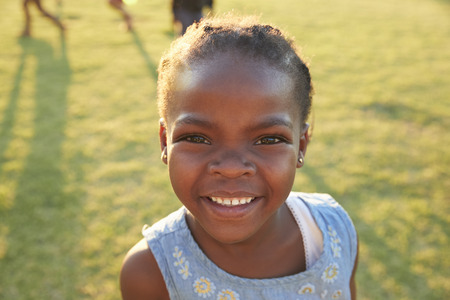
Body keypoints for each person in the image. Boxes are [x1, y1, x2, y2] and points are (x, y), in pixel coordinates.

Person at [120, 15, 358, 300]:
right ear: (165, 142)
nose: (231, 168)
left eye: (268, 139)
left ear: (301, 147)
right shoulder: (151, 272)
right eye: (196, 138)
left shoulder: (334, 230)